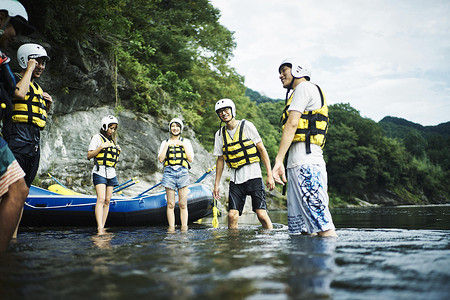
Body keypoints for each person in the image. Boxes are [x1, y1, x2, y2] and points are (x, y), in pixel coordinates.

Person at [272, 57, 337, 237]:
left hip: (307, 164)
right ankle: (302, 265)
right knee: (301, 230)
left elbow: (292, 124)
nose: (280, 75)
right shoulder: (296, 93)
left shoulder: (304, 88)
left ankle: (326, 264)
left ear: (298, 70)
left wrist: (278, 161)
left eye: (284, 70)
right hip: (296, 164)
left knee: (322, 226)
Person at [2, 43, 52, 238]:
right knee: (10, 193)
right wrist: (29, 70)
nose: (40, 66)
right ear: (25, 59)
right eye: (37, 61)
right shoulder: (14, 78)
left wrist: (46, 107)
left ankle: (12, 237)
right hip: (16, 140)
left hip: (33, 144)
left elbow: (38, 121)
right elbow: (19, 94)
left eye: (43, 63)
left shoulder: (38, 88)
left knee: (22, 194)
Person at [0, 0, 35, 252]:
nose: (16, 37)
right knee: (17, 190)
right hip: (12, 140)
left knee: (17, 190)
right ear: (1, 18)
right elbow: (18, 93)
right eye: (16, 28)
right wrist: (31, 66)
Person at [213, 98, 274, 229]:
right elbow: (220, 160)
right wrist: (216, 185)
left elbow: (262, 150)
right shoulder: (219, 135)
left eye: (226, 110)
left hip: (254, 176)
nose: (223, 113)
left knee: (261, 214)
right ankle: (234, 246)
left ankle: (270, 241)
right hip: (236, 179)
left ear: (232, 110)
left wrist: (269, 174)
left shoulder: (247, 126)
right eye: (220, 112)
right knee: (232, 215)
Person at [158, 118, 194, 232]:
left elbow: (190, 159)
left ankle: (184, 229)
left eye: (177, 126)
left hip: (182, 172)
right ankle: (171, 229)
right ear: (170, 128)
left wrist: (183, 145)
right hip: (169, 172)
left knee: (183, 204)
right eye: (173, 126)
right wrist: (167, 146)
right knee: (170, 204)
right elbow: (160, 159)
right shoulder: (165, 142)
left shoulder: (186, 142)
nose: (175, 128)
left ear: (181, 128)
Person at [87, 115, 121, 234]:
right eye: (110, 128)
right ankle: (99, 228)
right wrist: (101, 147)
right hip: (99, 171)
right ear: (105, 126)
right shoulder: (97, 138)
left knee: (107, 200)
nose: (112, 131)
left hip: (111, 173)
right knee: (101, 199)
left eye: (114, 129)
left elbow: (111, 158)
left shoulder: (112, 141)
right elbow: (89, 155)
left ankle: (103, 225)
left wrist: (117, 152)